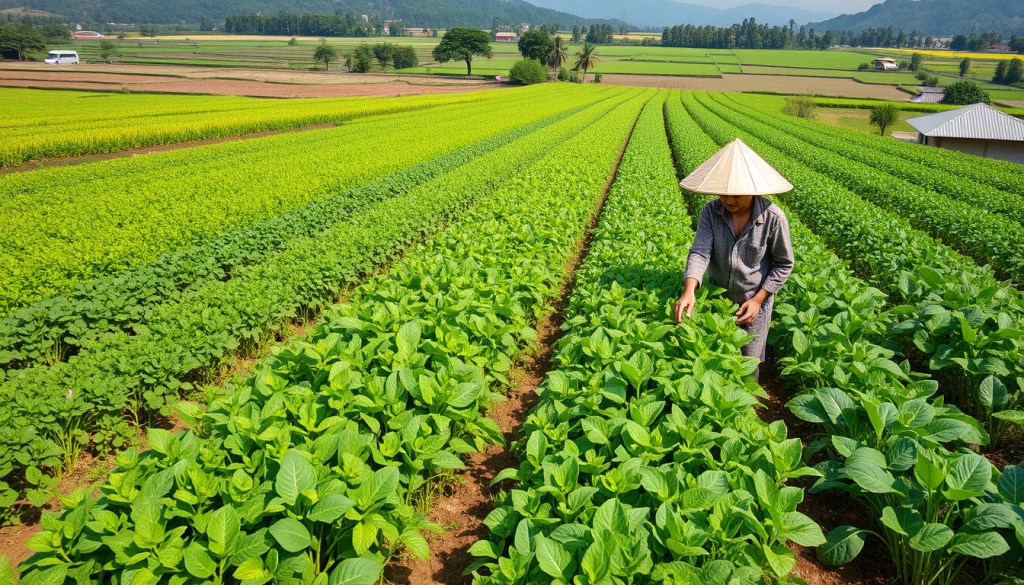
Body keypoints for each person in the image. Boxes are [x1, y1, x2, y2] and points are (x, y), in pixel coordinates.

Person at [674, 139, 794, 381]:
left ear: (753, 190)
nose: (728, 200)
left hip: (755, 301)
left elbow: (784, 264)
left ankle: (747, 410)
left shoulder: (773, 218)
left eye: (737, 194)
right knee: (716, 356)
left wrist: (759, 300)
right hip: (718, 300)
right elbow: (700, 251)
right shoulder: (710, 212)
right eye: (723, 193)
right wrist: (689, 290)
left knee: (749, 361)